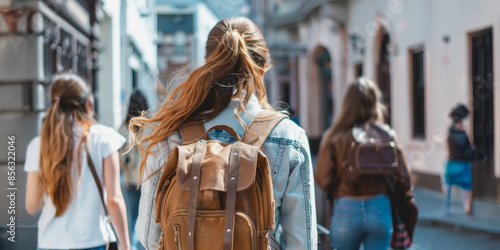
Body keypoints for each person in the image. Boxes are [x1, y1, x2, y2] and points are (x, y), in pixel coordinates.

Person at [131, 17, 317, 249]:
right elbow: (303, 243)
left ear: (209, 64)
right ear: (261, 69)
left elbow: (149, 235)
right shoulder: (289, 137)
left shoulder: (169, 134)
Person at [24, 74, 130, 250]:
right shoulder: (103, 138)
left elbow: (32, 205)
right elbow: (114, 200)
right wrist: (125, 246)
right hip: (93, 240)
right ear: (87, 104)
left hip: (50, 243)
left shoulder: (38, 145)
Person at [315, 77, 412, 250]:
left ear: (347, 104)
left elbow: (323, 179)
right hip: (380, 207)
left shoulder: (335, 137)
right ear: (375, 102)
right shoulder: (388, 135)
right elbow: (405, 178)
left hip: (346, 208)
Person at [118, 90, 149, 250]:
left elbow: (120, 159)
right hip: (147, 180)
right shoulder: (152, 127)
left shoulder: (123, 129)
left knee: (133, 219)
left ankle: (132, 247)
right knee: (147, 219)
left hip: (130, 180)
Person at [444, 103, 486, 215]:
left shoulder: (450, 130)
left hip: (452, 162)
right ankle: (468, 208)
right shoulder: (460, 130)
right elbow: (469, 146)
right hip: (462, 163)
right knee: (467, 187)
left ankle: (454, 208)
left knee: (452, 186)